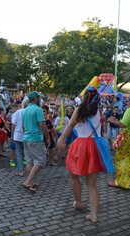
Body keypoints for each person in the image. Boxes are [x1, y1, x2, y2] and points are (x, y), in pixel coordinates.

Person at [57, 87, 106, 223]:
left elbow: (71, 125)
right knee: (92, 184)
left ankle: (78, 202)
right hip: (95, 145)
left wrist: (61, 139)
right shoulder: (99, 111)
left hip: (80, 146)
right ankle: (94, 215)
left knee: (74, 175)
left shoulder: (79, 110)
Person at [21, 91, 50, 193]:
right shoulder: (38, 110)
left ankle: (31, 182)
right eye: (39, 98)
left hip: (26, 138)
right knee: (39, 162)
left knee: (29, 162)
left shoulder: (24, 110)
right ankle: (27, 181)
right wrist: (48, 137)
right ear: (36, 99)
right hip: (35, 138)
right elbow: (42, 124)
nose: (40, 100)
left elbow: (23, 126)